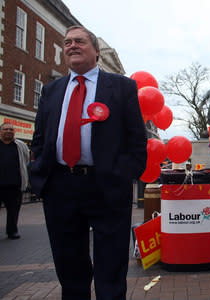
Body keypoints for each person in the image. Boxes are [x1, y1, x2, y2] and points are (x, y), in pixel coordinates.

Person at [30, 25, 147, 300]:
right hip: (60, 186)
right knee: (69, 267)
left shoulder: (122, 87)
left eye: (80, 41)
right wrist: (40, 176)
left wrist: (123, 174)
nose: (72, 45)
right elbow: (40, 137)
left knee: (111, 268)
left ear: (95, 50)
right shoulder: (51, 90)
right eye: (68, 42)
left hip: (105, 186)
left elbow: (136, 139)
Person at [0, 123, 29, 240]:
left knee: (13, 211)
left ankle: (12, 231)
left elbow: (26, 159)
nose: (8, 131)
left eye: (11, 129)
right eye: (5, 129)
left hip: (15, 185)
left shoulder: (20, 145)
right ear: (1, 132)